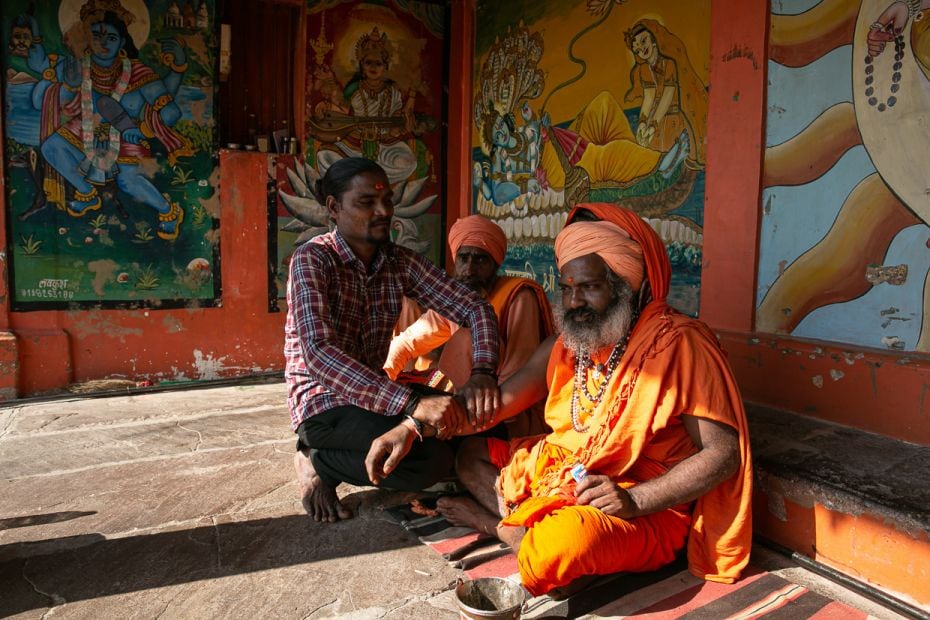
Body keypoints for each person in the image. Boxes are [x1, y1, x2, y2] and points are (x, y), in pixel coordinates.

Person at [434, 203, 753, 596]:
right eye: (567, 288)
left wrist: (634, 499)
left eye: (589, 287)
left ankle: (499, 527)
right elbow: (499, 403)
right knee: (471, 456)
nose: (573, 303)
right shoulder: (568, 344)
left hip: (640, 504)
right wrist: (417, 420)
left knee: (563, 545)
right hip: (564, 472)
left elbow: (722, 454)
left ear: (628, 286)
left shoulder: (680, 344)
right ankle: (530, 534)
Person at [286, 157, 501, 523]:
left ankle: (340, 454)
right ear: (334, 208)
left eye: (387, 201)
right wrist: (413, 404)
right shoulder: (313, 259)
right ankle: (317, 459)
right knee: (428, 461)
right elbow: (320, 356)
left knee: (459, 429)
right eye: (366, 203)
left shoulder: (398, 262)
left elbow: (474, 308)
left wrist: (483, 371)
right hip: (322, 404)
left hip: (373, 399)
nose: (383, 211)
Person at [384, 214, 555, 437]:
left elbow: (519, 372)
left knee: (465, 338)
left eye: (481, 260)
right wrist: (383, 382)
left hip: (507, 413)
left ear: (495, 264)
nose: (470, 269)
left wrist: (474, 414)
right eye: (464, 258)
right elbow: (407, 343)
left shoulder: (518, 296)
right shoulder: (459, 299)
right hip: (465, 405)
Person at [623, 19, 708, 167]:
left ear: (654, 39)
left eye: (643, 41)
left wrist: (653, 125)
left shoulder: (669, 64)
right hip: (655, 121)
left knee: (669, 163)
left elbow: (668, 96)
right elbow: (648, 98)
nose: (642, 49)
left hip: (673, 118)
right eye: (637, 50)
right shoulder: (643, 70)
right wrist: (643, 123)